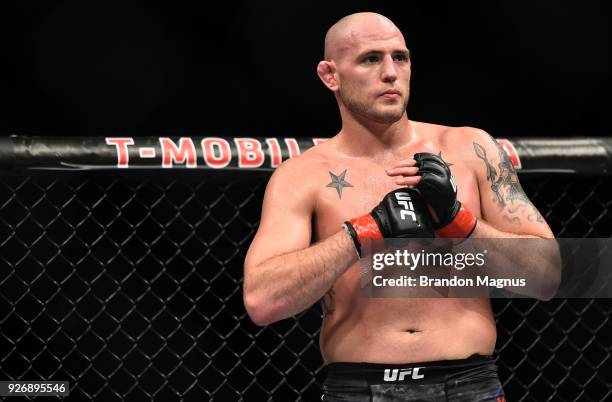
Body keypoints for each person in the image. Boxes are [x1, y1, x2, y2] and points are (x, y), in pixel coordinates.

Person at [243, 12, 559, 401]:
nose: (391, 72)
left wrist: (459, 223)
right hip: (359, 389)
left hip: (469, 384)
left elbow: (547, 277)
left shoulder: (472, 149)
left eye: (401, 57)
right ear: (330, 75)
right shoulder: (302, 176)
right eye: (371, 59)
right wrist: (361, 233)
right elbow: (262, 302)